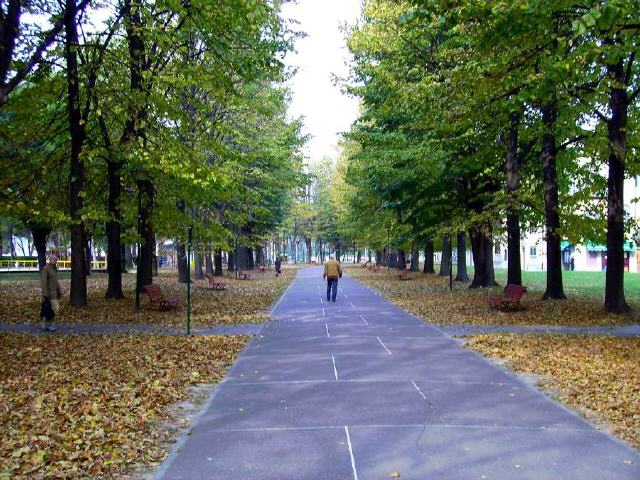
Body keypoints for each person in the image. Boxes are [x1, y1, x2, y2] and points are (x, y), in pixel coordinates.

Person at [40, 254, 62, 332]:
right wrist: (45, 294)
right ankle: (49, 325)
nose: (55, 261)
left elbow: (56, 282)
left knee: (49, 309)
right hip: (49, 294)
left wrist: (59, 292)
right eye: (54, 259)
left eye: (56, 260)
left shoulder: (54, 269)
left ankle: (44, 324)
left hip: (54, 293)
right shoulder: (46, 269)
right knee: (52, 309)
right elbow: (44, 282)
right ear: (50, 259)